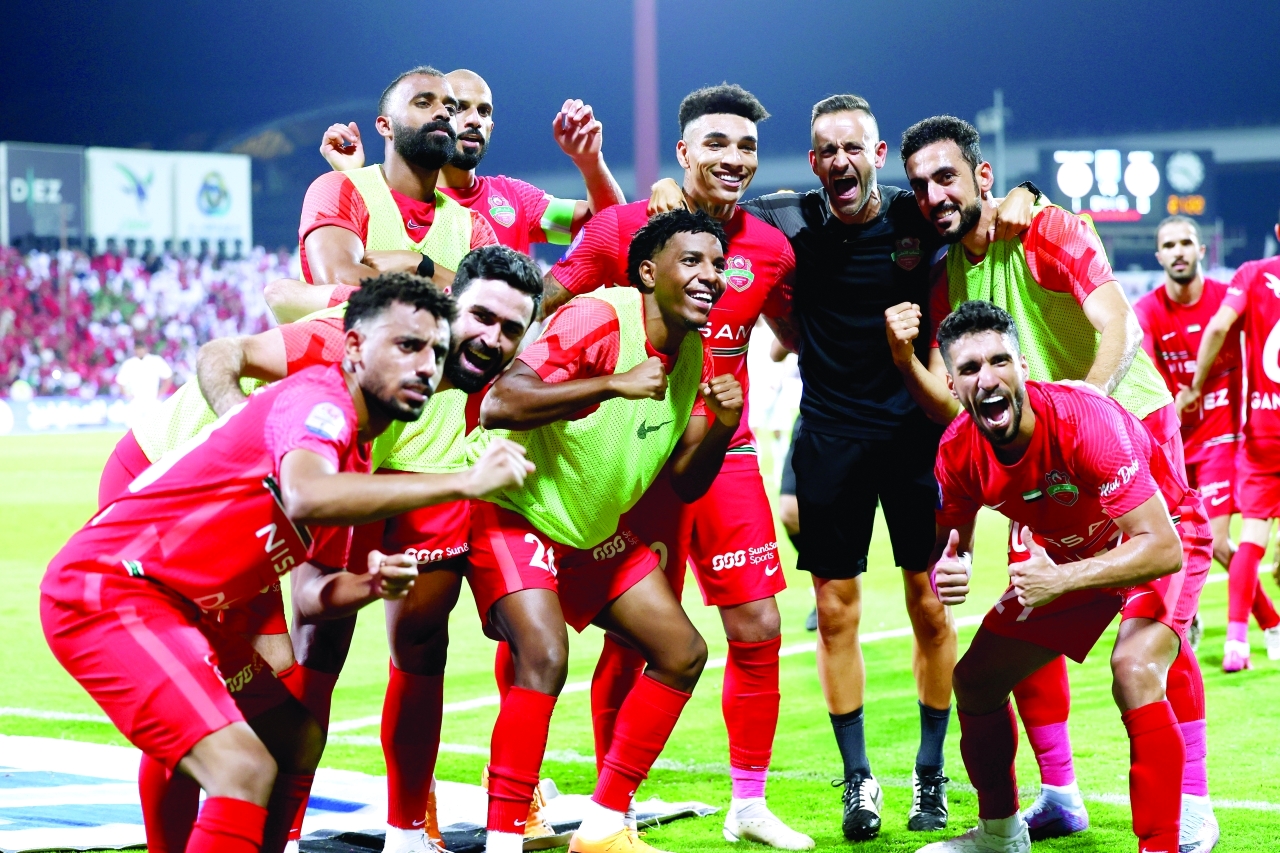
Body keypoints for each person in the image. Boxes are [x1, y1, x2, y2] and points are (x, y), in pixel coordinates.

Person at [41, 276, 533, 853]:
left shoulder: (358, 453)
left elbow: (309, 596)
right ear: (354, 347)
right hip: (112, 592)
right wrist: (464, 482)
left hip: (183, 603)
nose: (425, 366)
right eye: (407, 346)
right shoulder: (319, 401)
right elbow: (304, 495)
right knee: (240, 767)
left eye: (435, 352)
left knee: (295, 739)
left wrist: (369, 584)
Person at [702, 94, 1036, 840]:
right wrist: (667, 185)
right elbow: (703, 206)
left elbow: (983, 207)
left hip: (918, 439)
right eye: (827, 150)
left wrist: (1028, 191)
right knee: (835, 612)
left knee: (930, 604)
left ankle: (930, 772)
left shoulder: (917, 215)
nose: (840, 161)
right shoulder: (789, 218)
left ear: (878, 156)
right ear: (813, 161)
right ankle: (858, 780)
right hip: (830, 440)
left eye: (853, 148)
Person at [888, 115, 1217, 851]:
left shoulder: (1043, 227)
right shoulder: (949, 274)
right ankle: (1057, 795)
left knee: (1150, 636)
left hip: (1125, 431)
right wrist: (904, 360)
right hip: (1034, 448)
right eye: (920, 186)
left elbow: (1119, 325)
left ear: (982, 175)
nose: (934, 195)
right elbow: (954, 405)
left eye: (946, 177)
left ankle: (1189, 804)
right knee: (1025, 598)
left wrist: (1088, 406)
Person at [544, 83, 810, 849]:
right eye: (717, 143)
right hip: (638, 457)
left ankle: (748, 804)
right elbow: (547, 304)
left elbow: (791, 328)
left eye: (747, 146)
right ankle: (613, 813)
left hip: (726, 448)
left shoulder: (771, 248)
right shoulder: (622, 228)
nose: (735, 158)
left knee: (759, 624)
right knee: (634, 637)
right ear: (683, 151)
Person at [470, 210, 743, 853]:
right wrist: (614, 383)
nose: (711, 275)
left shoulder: (694, 352)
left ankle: (602, 826)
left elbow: (685, 481)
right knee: (544, 656)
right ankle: (504, 838)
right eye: (693, 260)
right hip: (515, 505)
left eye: (718, 264)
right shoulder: (598, 317)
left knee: (682, 652)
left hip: (588, 529)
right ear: (648, 272)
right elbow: (499, 403)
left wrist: (723, 427)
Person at [920, 300, 1211, 853]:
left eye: (999, 361)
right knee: (975, 680)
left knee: (1134, 668)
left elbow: (1162, 548)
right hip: (1071, 556)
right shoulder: (957, 451)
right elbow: (951, 547)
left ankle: (1162, 842)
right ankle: (1001, 836)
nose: (988, 378)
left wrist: (1062, 580)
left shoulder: (1084, 420)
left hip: (1164, 533)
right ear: (953, 386)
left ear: (1023, 366)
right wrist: (951, 570)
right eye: (970, 368)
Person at [1136, 215, 1280, 662]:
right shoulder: (1149, 310)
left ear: (1201, 250)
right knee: (1178, 541)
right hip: (1175, 444)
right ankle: (1244, 620)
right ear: (1159, 256)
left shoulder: (1227, 297)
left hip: (1225, 435)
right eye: (1169, 245)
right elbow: (1145, 370)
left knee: (1217, 540)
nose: (1178, 251)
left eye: (1186, 242)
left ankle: (1265, 624)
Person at [266, 65, 498, 323]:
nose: (443, 113)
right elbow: (337, 280)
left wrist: (420, 265)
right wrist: (453, 294)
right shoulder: (339, 188)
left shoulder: (474, 227)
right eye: (423, 103)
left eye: (451, 109)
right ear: (386, 126)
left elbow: (496, 304)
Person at [319, 68, 626, 253]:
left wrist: (590, 162)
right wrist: (354, 177)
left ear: (492, 126)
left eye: (484, 111)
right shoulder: (394, 197)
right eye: (459, 108)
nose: (475, 120)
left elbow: (612, 229)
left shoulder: (515, 201)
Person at [1182, 204, 1280, 673]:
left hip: (1262, 429)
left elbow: (1220, 325)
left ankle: (1237, 642)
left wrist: (1196, 385)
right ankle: (1270, 628)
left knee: (1249, 539)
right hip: (1218, 440)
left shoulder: (1252, 274)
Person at [114, 341, 173, 428]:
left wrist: (161, 392)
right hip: (136, 401)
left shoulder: (155, 360)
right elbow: (120, 381)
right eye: (137, 349)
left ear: (146, 349)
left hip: (152, 399)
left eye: (141, 348)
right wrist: (127, 394)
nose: (139, 351)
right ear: (134, 350)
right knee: (133, 428)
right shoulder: (129, 363)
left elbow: (168, 376)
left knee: (155, 427)